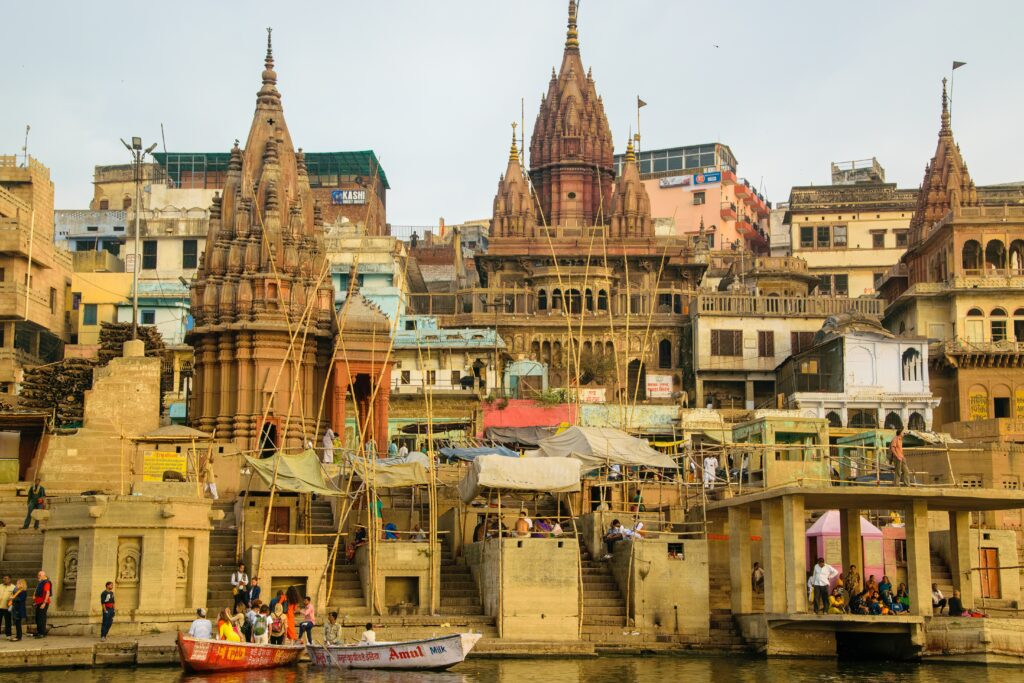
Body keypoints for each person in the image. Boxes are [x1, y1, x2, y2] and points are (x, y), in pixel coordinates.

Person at [33, 570, 51, 637]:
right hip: (38, 602)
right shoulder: (40, 583)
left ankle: (42, 633)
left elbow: (47, 593)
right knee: (37, 618)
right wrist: (36, 602)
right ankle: (39, 631)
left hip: (43, 603)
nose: (38, 576)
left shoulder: (46, 583)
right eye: (38, 575)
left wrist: (44, 603)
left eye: (40, 575)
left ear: (44, 576)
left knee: (41, 618)